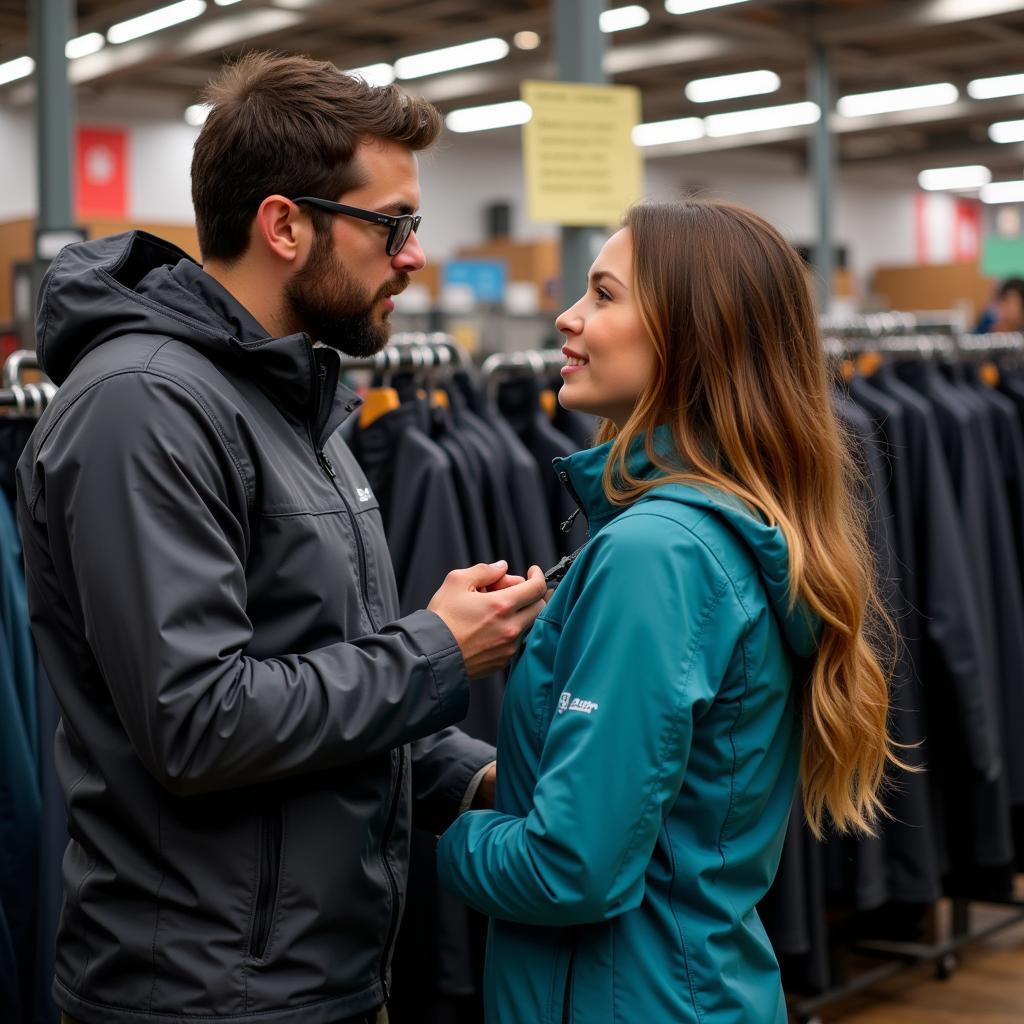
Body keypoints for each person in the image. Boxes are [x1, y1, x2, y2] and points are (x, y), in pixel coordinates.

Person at [17, 52, 547, 1024]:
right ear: (285, 224)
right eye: (394, 225)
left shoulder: (293, 410)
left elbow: (320, 679)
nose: (414, 256)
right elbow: (201, 719)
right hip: (201, 993)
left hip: (311, 974)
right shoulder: (144, 407)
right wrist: (436, 650)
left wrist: (470, 775)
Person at [435, 199, 899, 1023]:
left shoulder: (658, 553)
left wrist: (415, 829)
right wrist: (482, 787)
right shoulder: (714, 528)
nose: (568, 317)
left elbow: (568, 869)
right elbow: (646, 806)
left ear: (695, 334)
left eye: (605, 295)